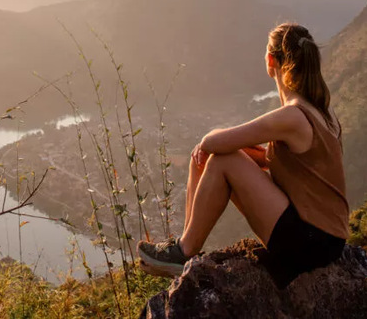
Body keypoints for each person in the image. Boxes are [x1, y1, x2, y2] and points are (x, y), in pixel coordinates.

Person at [137, 23, 349, 287]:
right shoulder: (322, 112)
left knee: (223, 159)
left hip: (310, 243)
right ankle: (183, 246)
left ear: (271, 60)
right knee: (208, 157)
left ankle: (184, 251)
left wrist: (214, 141)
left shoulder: (293, 115)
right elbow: (290, 165)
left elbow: (213, 142)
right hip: (325, 242)